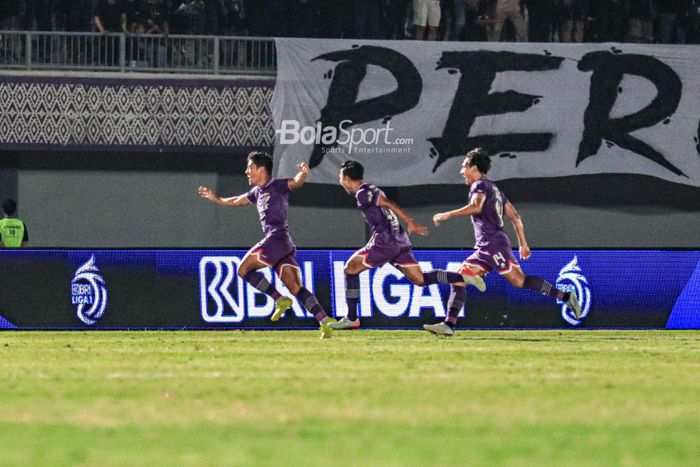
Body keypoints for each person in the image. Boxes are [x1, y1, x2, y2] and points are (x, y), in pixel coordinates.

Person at [424, 148, 582, 336]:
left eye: (463, 166)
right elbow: (515, 217)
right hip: (487, 246)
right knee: (460, 279)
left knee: (518, 281)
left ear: (473, 168)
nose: (461, 171)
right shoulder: (495, 189)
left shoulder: (479, 186)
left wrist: (448, 214)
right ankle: (449, 324)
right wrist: (523, 244)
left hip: (493, 244)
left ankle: (566, 296)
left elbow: (476, 206)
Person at [331, 160, 486, 331]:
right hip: (398, 241)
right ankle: (463, 277)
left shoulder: (363, 192)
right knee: (420, 279)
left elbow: (388, 203)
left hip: (385, 243)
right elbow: (384, 215)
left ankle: (352, 318)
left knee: (349, 269)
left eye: (340, 177)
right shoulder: (370, 188)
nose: (340, 181)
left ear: (346, 178)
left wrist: (410, 221)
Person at [198, 151, 337, 338]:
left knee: (243, 269)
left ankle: (279, 299)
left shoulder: (278, 186)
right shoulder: (257, 192)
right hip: (283, 244)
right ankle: (324, 320)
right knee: (296, 287)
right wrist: (217, 199)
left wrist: (303, 173)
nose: (247, 172)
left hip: (276, 239)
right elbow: (237, 201)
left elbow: (295, 182)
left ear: (261, 169)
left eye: (250, 168)